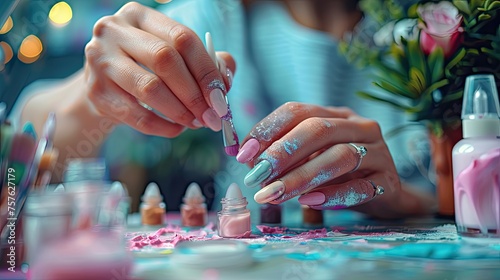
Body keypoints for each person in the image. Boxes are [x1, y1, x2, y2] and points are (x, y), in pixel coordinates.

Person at [14, 0, 435, 219]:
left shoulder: (438, 33)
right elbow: (18, 161)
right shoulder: (211, 19)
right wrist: (92, 97)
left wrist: (410, 203)